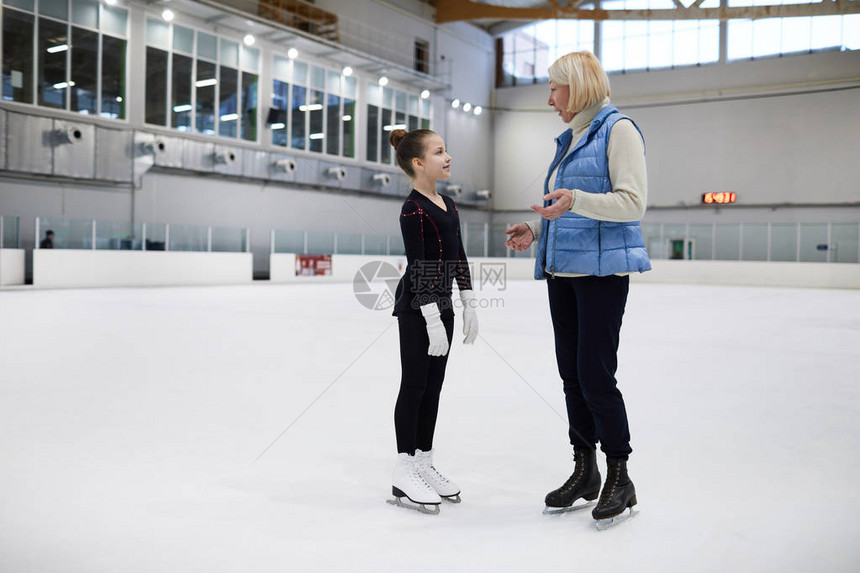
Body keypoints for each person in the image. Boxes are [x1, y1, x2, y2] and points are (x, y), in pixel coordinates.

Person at [505, 51, 651, 525]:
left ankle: (619, 475)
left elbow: (631, 204)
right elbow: (567, 207)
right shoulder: (572, 137)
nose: (550, 99)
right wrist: (538, 228)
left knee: (595, 376)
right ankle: (584, 469)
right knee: (571, 376)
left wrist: (576, 200)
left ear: (579, 86)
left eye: (555, 88)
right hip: (563, 272)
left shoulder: (618, 129)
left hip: (602, 276)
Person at [387, 128, 478, 514]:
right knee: (415, 385)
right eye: (439, 151)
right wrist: (429, 316)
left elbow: (457, 255)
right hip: (416, 309)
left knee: (435, 387)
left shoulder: (449, 204)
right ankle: (404, 468)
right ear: (418, 163)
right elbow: (419, 263)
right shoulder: (413, 208)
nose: (448, 156)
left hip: (444, 307)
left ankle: (424, 460)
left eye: (446, 149)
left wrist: (468, 299)